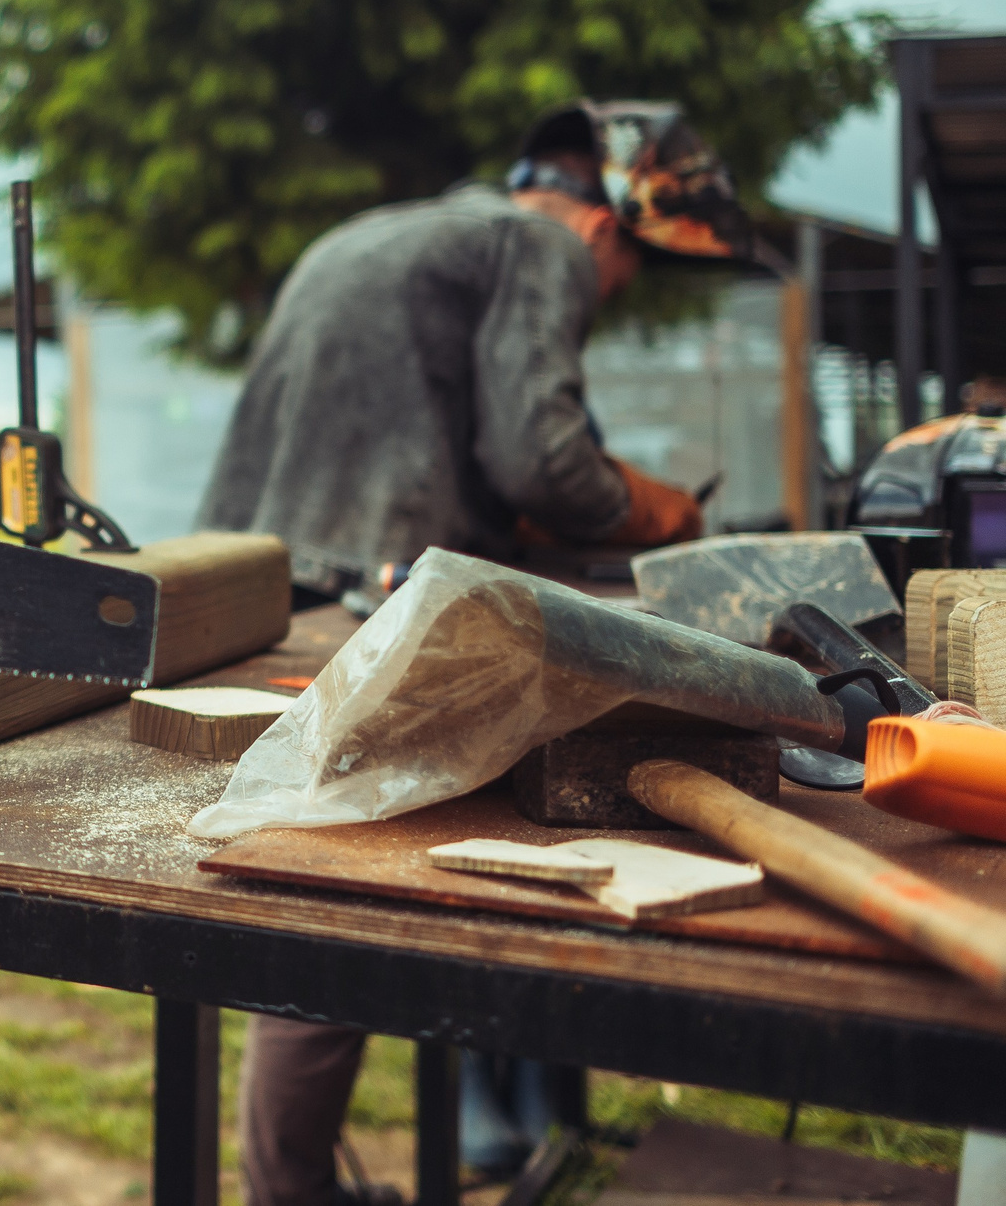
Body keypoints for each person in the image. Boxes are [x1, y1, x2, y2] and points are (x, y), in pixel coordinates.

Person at [196, 100, 751, 1206]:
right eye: (632, 270)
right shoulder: (541, 244)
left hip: (266, 592)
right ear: (607, 225)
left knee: (317, 867)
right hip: (376, 598)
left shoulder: (383, 233)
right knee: (365, 884)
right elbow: (542, 462)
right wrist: (657, 509)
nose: (614, 291)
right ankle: (315, 1185)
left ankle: (307, 1178)